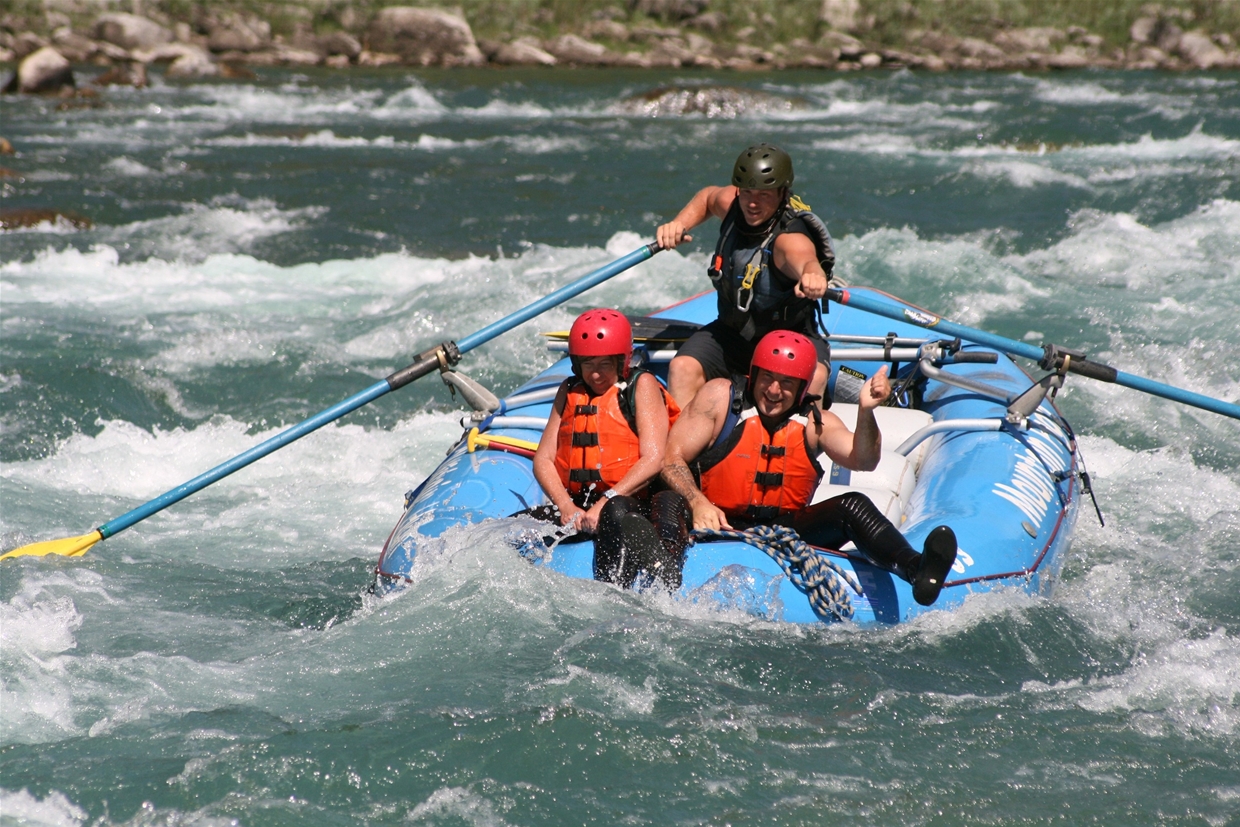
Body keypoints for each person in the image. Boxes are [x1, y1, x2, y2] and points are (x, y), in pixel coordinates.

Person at [660, 330, 958, 607]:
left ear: (802, 388)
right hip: (714, 523)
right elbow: (671, 460)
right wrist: (698, 502)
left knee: (853, 505)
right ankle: (662, 583)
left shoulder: (816, 422)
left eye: (787, 383)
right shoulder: (720, 399)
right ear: (754, 375)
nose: (774, 391)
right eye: (768, 378)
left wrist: (866, 411)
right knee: (667, 501)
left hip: (783, 534)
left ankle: (915, 569)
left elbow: (865, 460)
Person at [655, 143, 836, 407]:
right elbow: (707, 197)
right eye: (747, 192)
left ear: (782, 193)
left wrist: (813, 275)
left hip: (789, 338)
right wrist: (679, 224)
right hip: (734, 334)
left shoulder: (789, 239)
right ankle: (683, 446)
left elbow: (806, 260)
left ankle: (800, 443)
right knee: (682, 367)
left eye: (764, 195)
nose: (752, 202)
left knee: (816, 376)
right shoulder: (733, 203)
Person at [526, 309, 686, 589]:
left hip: (631, 499)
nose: (597, 374)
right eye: (588, 364)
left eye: (605, 364)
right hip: (578, 504)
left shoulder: (641, 385)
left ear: (622, 361)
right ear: (576, 364)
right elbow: (544, 459)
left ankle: (613, 592)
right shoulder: (569, 389)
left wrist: (604, 502)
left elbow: (653, 459)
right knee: (514, 528)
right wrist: (566, 506)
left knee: (615, 511)